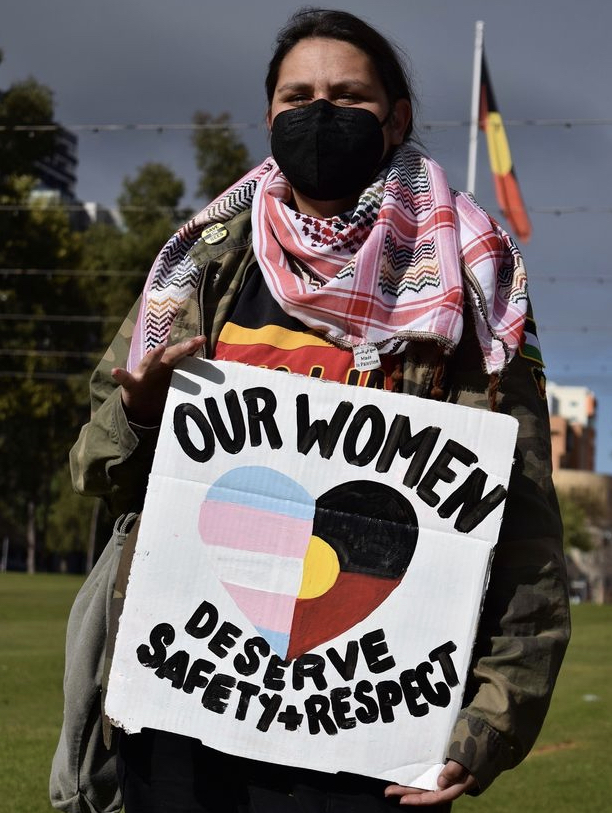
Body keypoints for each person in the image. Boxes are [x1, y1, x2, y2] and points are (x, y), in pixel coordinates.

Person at [50, 8, 570, 813]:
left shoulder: (469, 284)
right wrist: (144, 411)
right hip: (182, 720)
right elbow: (98, 468)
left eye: (349, 95)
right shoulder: (200, 266)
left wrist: (481, 731)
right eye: (298, 95)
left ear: (397, 118)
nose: (319, 113)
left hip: (360, 736)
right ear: (269, 116)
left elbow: (523, 531)